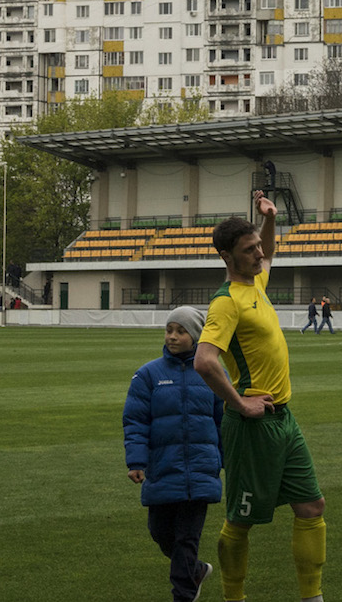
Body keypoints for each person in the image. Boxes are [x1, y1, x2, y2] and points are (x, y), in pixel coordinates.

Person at [191, 190, 327, 602]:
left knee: (312, 507)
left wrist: (269, 218)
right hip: (252, 426)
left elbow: (268, 249)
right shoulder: (226, 303)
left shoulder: (256, 283)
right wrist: (240, 402)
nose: (259, 255)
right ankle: (234, 597)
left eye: (258, 248)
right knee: (241, 520)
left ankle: (312, 597)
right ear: (227, 258)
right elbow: (204, 360)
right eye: (249, 251)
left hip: (284, 420)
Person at [125, 307, 224, 602]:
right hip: (163, 468)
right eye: (169, 330)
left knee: (186, 539)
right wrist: (136, 461)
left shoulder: (212, 372)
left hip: (200, 472)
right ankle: (194, 570)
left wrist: (226, 460)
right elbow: (135, 421)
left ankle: (183, 594)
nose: (172, 337)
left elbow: (223, 422)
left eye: (180, 331)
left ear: (195, 336)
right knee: (161, 533)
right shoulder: (147, 374)